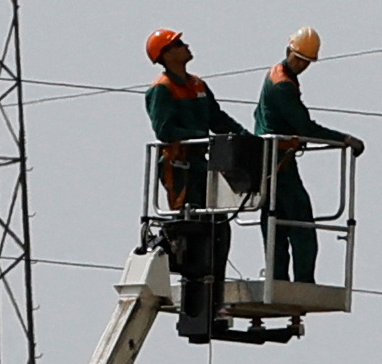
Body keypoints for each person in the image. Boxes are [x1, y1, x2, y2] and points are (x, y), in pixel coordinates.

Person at [144, 31, 244, 339]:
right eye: (177, 44)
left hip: (204, 165)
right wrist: (201, 133)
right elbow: (165, 129)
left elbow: (217, 117)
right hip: (181, 167)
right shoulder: (162, 89)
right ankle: (198, 299)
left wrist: (243, 137)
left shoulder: (198, 85)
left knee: (219, 227)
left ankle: (216, 299)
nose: (185, 46)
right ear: (165, 54)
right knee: (194, 230)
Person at [254, 27, 358, 287]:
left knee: (276, 218)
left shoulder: (279, 76)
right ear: (289, 51)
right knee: (299, 220)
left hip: (273, 158)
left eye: (307, 62)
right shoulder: (282, 86)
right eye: (299, 59)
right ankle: (301, 281)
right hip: (278, 161)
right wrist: (344, 139)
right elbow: (305, 127)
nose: (302, 65)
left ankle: (279, 278)